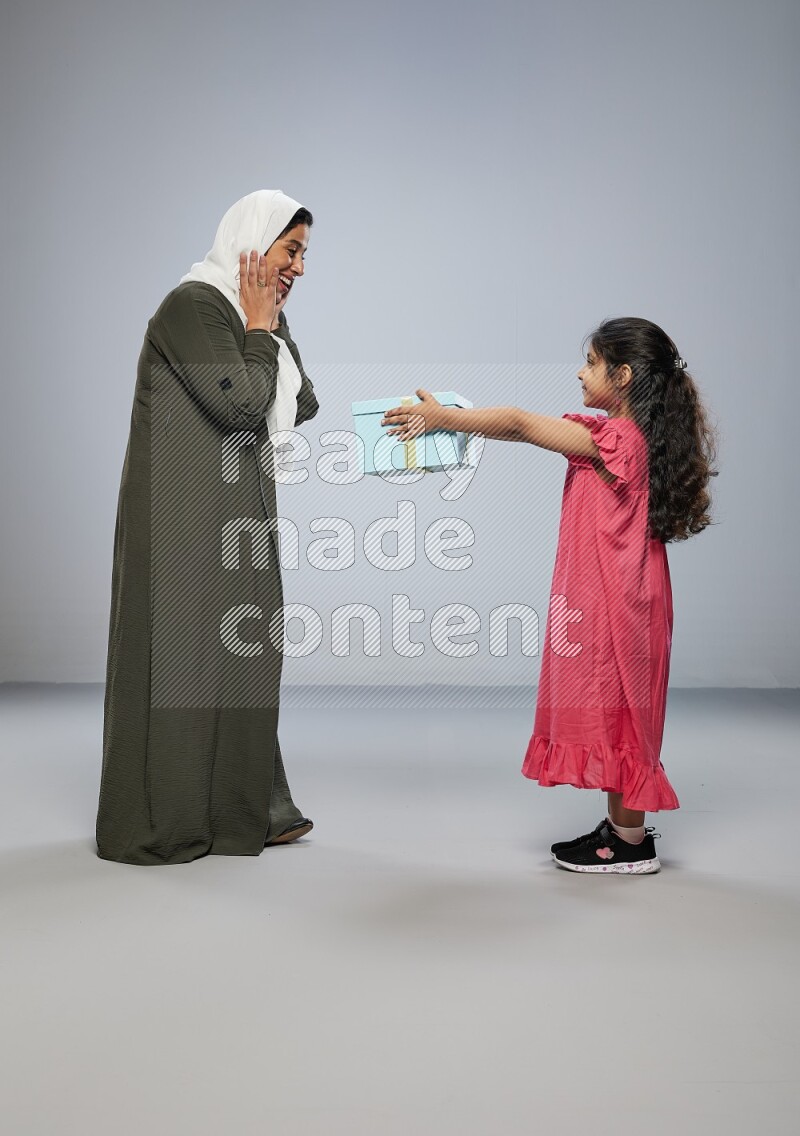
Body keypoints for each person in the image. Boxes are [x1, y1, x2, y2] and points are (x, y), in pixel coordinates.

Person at [382, 318, 716, 874]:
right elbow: (519, 430)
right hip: (623, 592)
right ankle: (621, 829)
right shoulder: (622, 438)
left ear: (624, 375)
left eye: (591, 363)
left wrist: (443, 418)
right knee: (618, 708)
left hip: (623, 599)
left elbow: (518, 421)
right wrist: (456, 421)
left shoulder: (619, 442)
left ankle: (631, 844)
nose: (580, 372)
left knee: (627, 713)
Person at [97, 189, 319, 865]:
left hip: (237, 514)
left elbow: (302, 400)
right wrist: (259, 325)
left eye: (305, 255)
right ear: (253, 242)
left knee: (240, 653)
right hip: (183, 520)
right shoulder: (193, 306)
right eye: (292, 250)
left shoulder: (242, 312)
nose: (301, 268)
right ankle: (165, 822)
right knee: (183, 658)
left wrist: (267, 321)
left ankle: (246, 813)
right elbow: (244, 405)